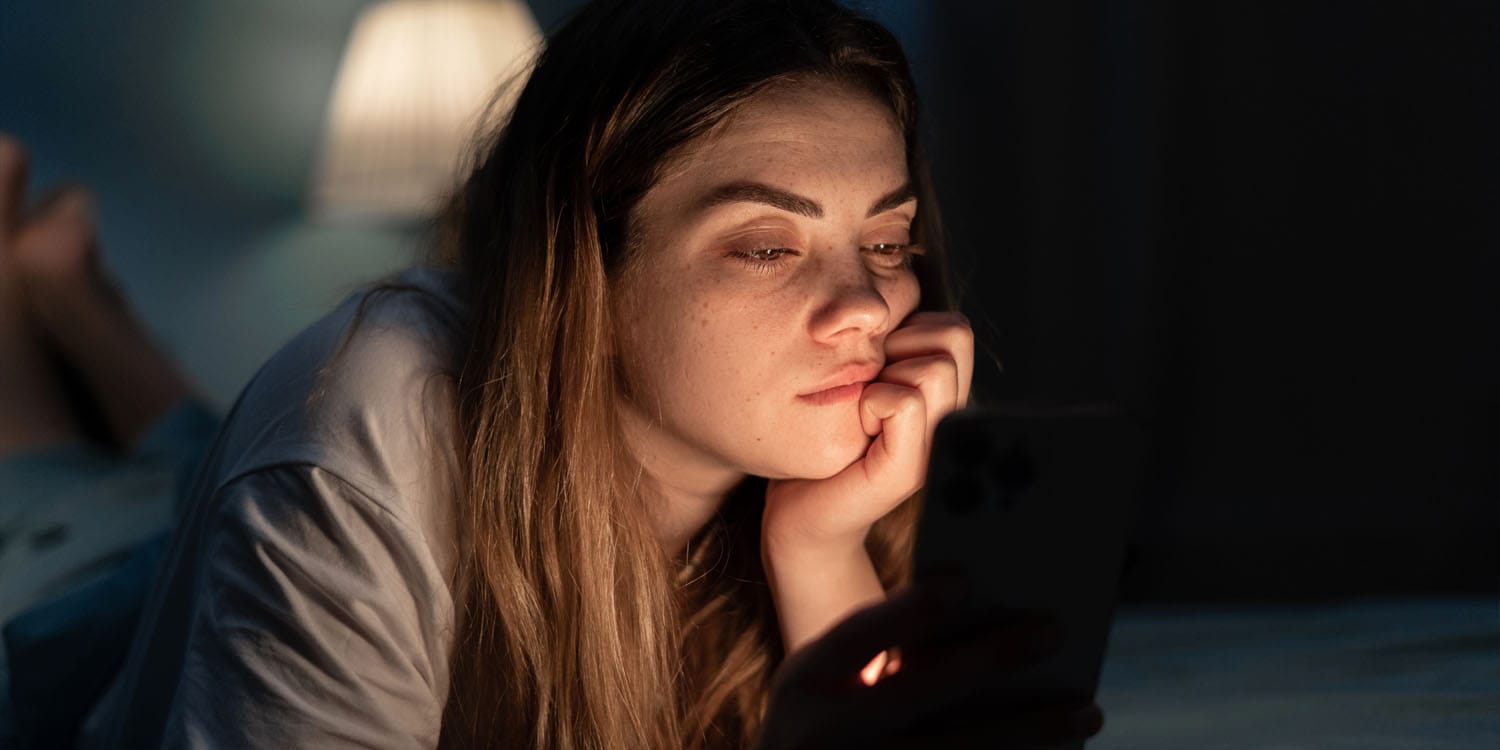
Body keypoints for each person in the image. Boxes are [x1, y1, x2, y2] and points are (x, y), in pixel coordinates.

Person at [0, 0, 1107, 747]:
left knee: (179, 466)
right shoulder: (369, 425)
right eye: (767, 246)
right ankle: (24, 306)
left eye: (886, 243)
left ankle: (72, 295)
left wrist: (819, 546)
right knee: (70, 497)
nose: (869, 309)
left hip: (197, 515)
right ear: (585, 264)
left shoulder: (797, 463)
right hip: (65, 604)